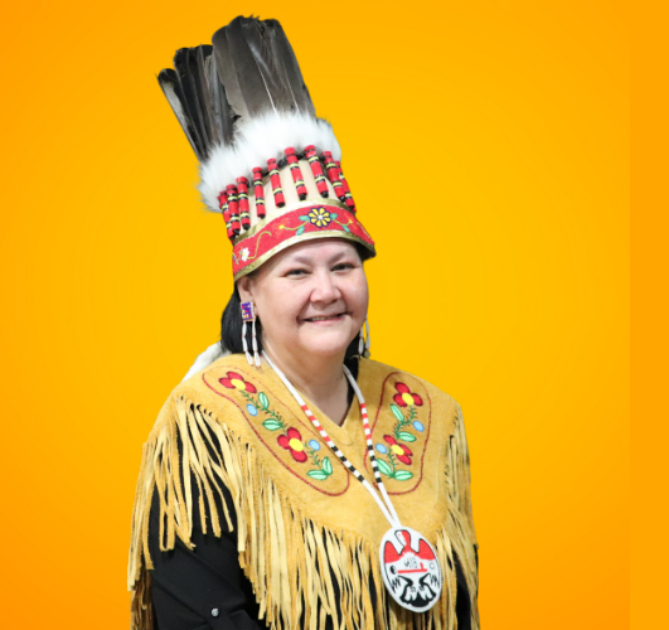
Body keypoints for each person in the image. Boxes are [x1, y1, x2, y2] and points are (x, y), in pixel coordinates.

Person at [126, 16, 480, 630]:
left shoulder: (429, 412)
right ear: (249, 294)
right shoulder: (207, 423)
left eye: (343, 265)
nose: (327, 291)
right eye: (295, 273)